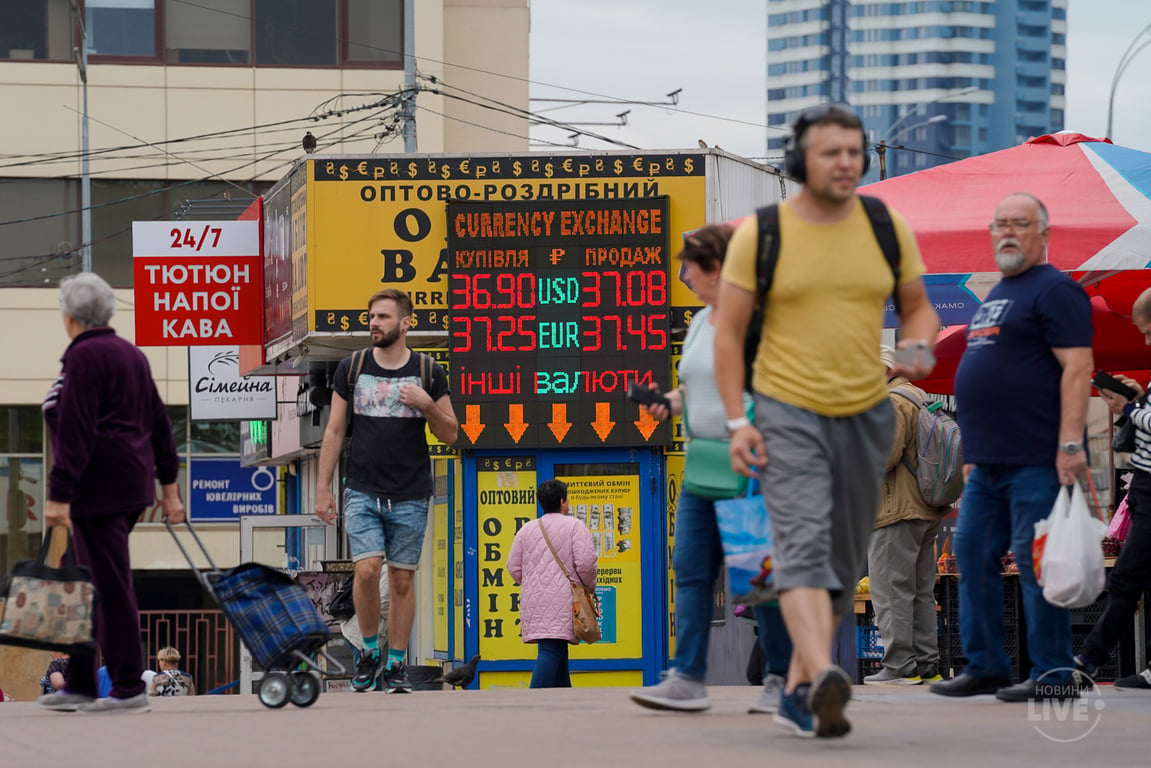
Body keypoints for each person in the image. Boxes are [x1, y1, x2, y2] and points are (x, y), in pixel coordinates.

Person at [712, 104, 939, 738]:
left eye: (852, 151)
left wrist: (919, 348)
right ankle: (815, 678)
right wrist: (738, 423)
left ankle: (801, 688)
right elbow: (728, 337)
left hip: (866, 416)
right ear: (799, 162)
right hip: (787, 411)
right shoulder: (764, 234)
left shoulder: (884, 225)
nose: (844, 162)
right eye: (829, 152)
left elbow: (920, 310)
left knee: (842, 566)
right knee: (802, 547)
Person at [931, 193, 1093, 702]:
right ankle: (986, 666)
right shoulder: (1001, 292)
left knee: (1035, 561)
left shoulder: (1056, 290)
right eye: (999, 223)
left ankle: (1053, 674)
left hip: (1037, 458)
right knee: (970, 551)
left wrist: (1070, 442)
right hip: (988, 463)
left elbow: (1077, 367)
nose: (1006, 232)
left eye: (1019, 224)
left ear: (1043, 233)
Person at [626, 224, 792, 714]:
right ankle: (688, 677)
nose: (684, 278)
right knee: (691, 569)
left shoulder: (757, 321)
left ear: (718, 268)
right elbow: (696, 386)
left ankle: (782, 678)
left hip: (748, 464)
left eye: (691, 269)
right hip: (702, 460)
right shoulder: (701, 321)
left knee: (755, 575)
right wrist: (671, 403)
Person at [37, 272, 184, 714]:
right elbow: (160, 424)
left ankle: (126, 687)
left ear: (68, 318)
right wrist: (170, 490)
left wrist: (58, 494)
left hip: (99, 489)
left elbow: (76, 431)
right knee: (83, 584)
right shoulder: (130, 355)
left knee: (109, 585)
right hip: (126, 484)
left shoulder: (84, 357)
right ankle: (81, 681)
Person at [315, 288, 458, 693]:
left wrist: (427, 405)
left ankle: (396, 664)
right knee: (366, 570)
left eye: (382, 317)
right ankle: (369, 652)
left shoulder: (429, 371)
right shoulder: (352, 366)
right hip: (362, 488)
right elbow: (335, 429)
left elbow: (451, 434)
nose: (374, 323)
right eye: (371, 316)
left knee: (401, 581)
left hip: (411, 492)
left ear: (405, 323)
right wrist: (323, 487)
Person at [1074, 287, 1151, 691]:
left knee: (1126, 579)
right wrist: (1137, 399)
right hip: (1143, 490)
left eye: (1148, 331)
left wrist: (1129, 409)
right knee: (1134, 579)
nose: (1146, 341)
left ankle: (1088, 658)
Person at [864, 346, 947, 686]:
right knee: (920, 590)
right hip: (924, 506)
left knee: (890, 589)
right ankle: (927, 664)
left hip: (896, 507)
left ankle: (900, 666)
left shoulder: (891, 401)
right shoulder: (917, 395)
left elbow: (884, 456)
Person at [507, 479, 598, 688]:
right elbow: (586, 563)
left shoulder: (526, 529)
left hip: (534, 600)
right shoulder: (575, 526)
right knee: (551, 650)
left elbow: (513, 567)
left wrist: (531, 583)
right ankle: (533, 702)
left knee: (556, 648)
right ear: (563, 501)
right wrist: (589, 585)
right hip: (565, 599)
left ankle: (564, 701)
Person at [339, 566, 391, 691]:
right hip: (361, 635)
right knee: (369, 675)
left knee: (370, 673)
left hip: (358, 630)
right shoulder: (388, 570)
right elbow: (382, 602)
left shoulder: (380, 568)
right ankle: (370, 706)